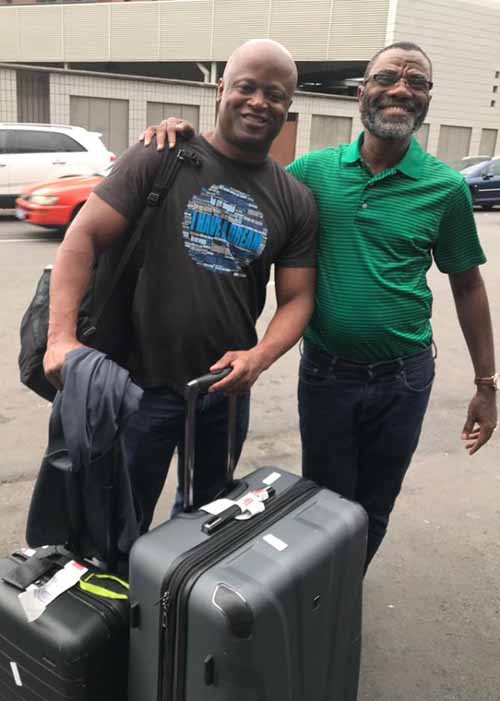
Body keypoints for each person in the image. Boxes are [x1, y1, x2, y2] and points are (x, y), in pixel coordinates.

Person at [142, 41, 497, 567]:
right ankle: (319, 595)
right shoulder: (309, 174)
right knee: (325, 503)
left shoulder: (445, 189)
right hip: (328, 376)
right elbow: (237, 169)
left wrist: (487, 384)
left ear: (426, 99)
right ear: (362, 93)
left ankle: (338, 597)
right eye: (386, 78)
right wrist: (186, 134)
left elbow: (467, 286)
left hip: (404, 379)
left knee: (375, 504)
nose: (401, 89)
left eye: (416, 82)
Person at [43, 39, 317, 534]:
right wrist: (60, 337)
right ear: (220, 90)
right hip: (136, 386)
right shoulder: (163, 154)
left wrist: (258, 358)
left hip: (223, 393)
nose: (259, 102)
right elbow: (81, 238)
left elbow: (298, 298)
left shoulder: (294, 198)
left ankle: (172, 605)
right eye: (246, 88)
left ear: (287, 106)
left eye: (274, 95)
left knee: (203, 522)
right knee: (116, 523)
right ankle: (117, 605)